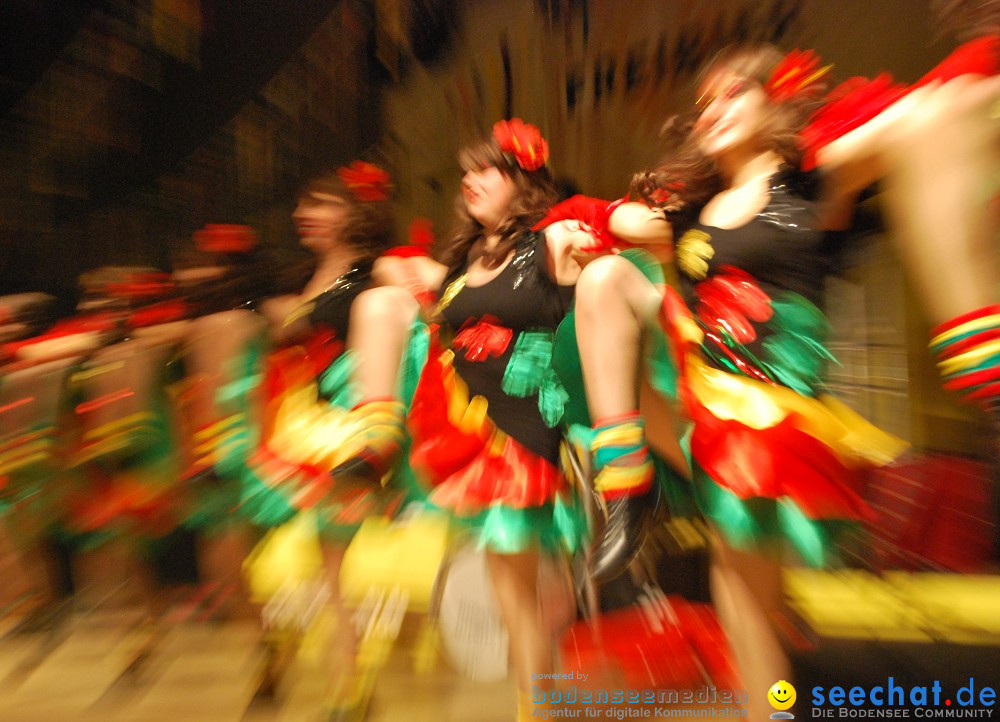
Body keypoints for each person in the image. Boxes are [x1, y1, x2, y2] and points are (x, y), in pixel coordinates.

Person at [573, 47, 915, 719]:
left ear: (774, 102)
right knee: (604, 278)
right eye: (703, 106)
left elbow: (900, 126)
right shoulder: (688, 214)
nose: (714, 112)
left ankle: (773, 698)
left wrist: (826, 128)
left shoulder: (816, 184)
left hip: (776, 414)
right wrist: (614, 223)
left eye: (733, 94)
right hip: (698, 393)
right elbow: (593, 233)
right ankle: (626, 485)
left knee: (750, 588)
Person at [338, 119, 600, 720]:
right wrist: (398, 278)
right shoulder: (464, 260)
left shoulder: (552, 240)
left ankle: (542, 703)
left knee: (530, 597)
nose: (468, 180)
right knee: (518, 595)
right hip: (467, 427)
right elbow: (395, 275)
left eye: (486, 168)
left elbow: (600, 271)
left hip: (527, 434)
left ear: (523, 179)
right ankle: (375, 436)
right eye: (466, 170)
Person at [242, 162, 410, 720]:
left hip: (346, 429)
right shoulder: (306, 278)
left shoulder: (378, 271)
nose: (302, 214)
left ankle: (349, 687)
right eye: (303, 204)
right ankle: (322, 673)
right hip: (293, 432)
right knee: (300, 564)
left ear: (356, 212)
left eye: (320, 203)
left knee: (336, 562)